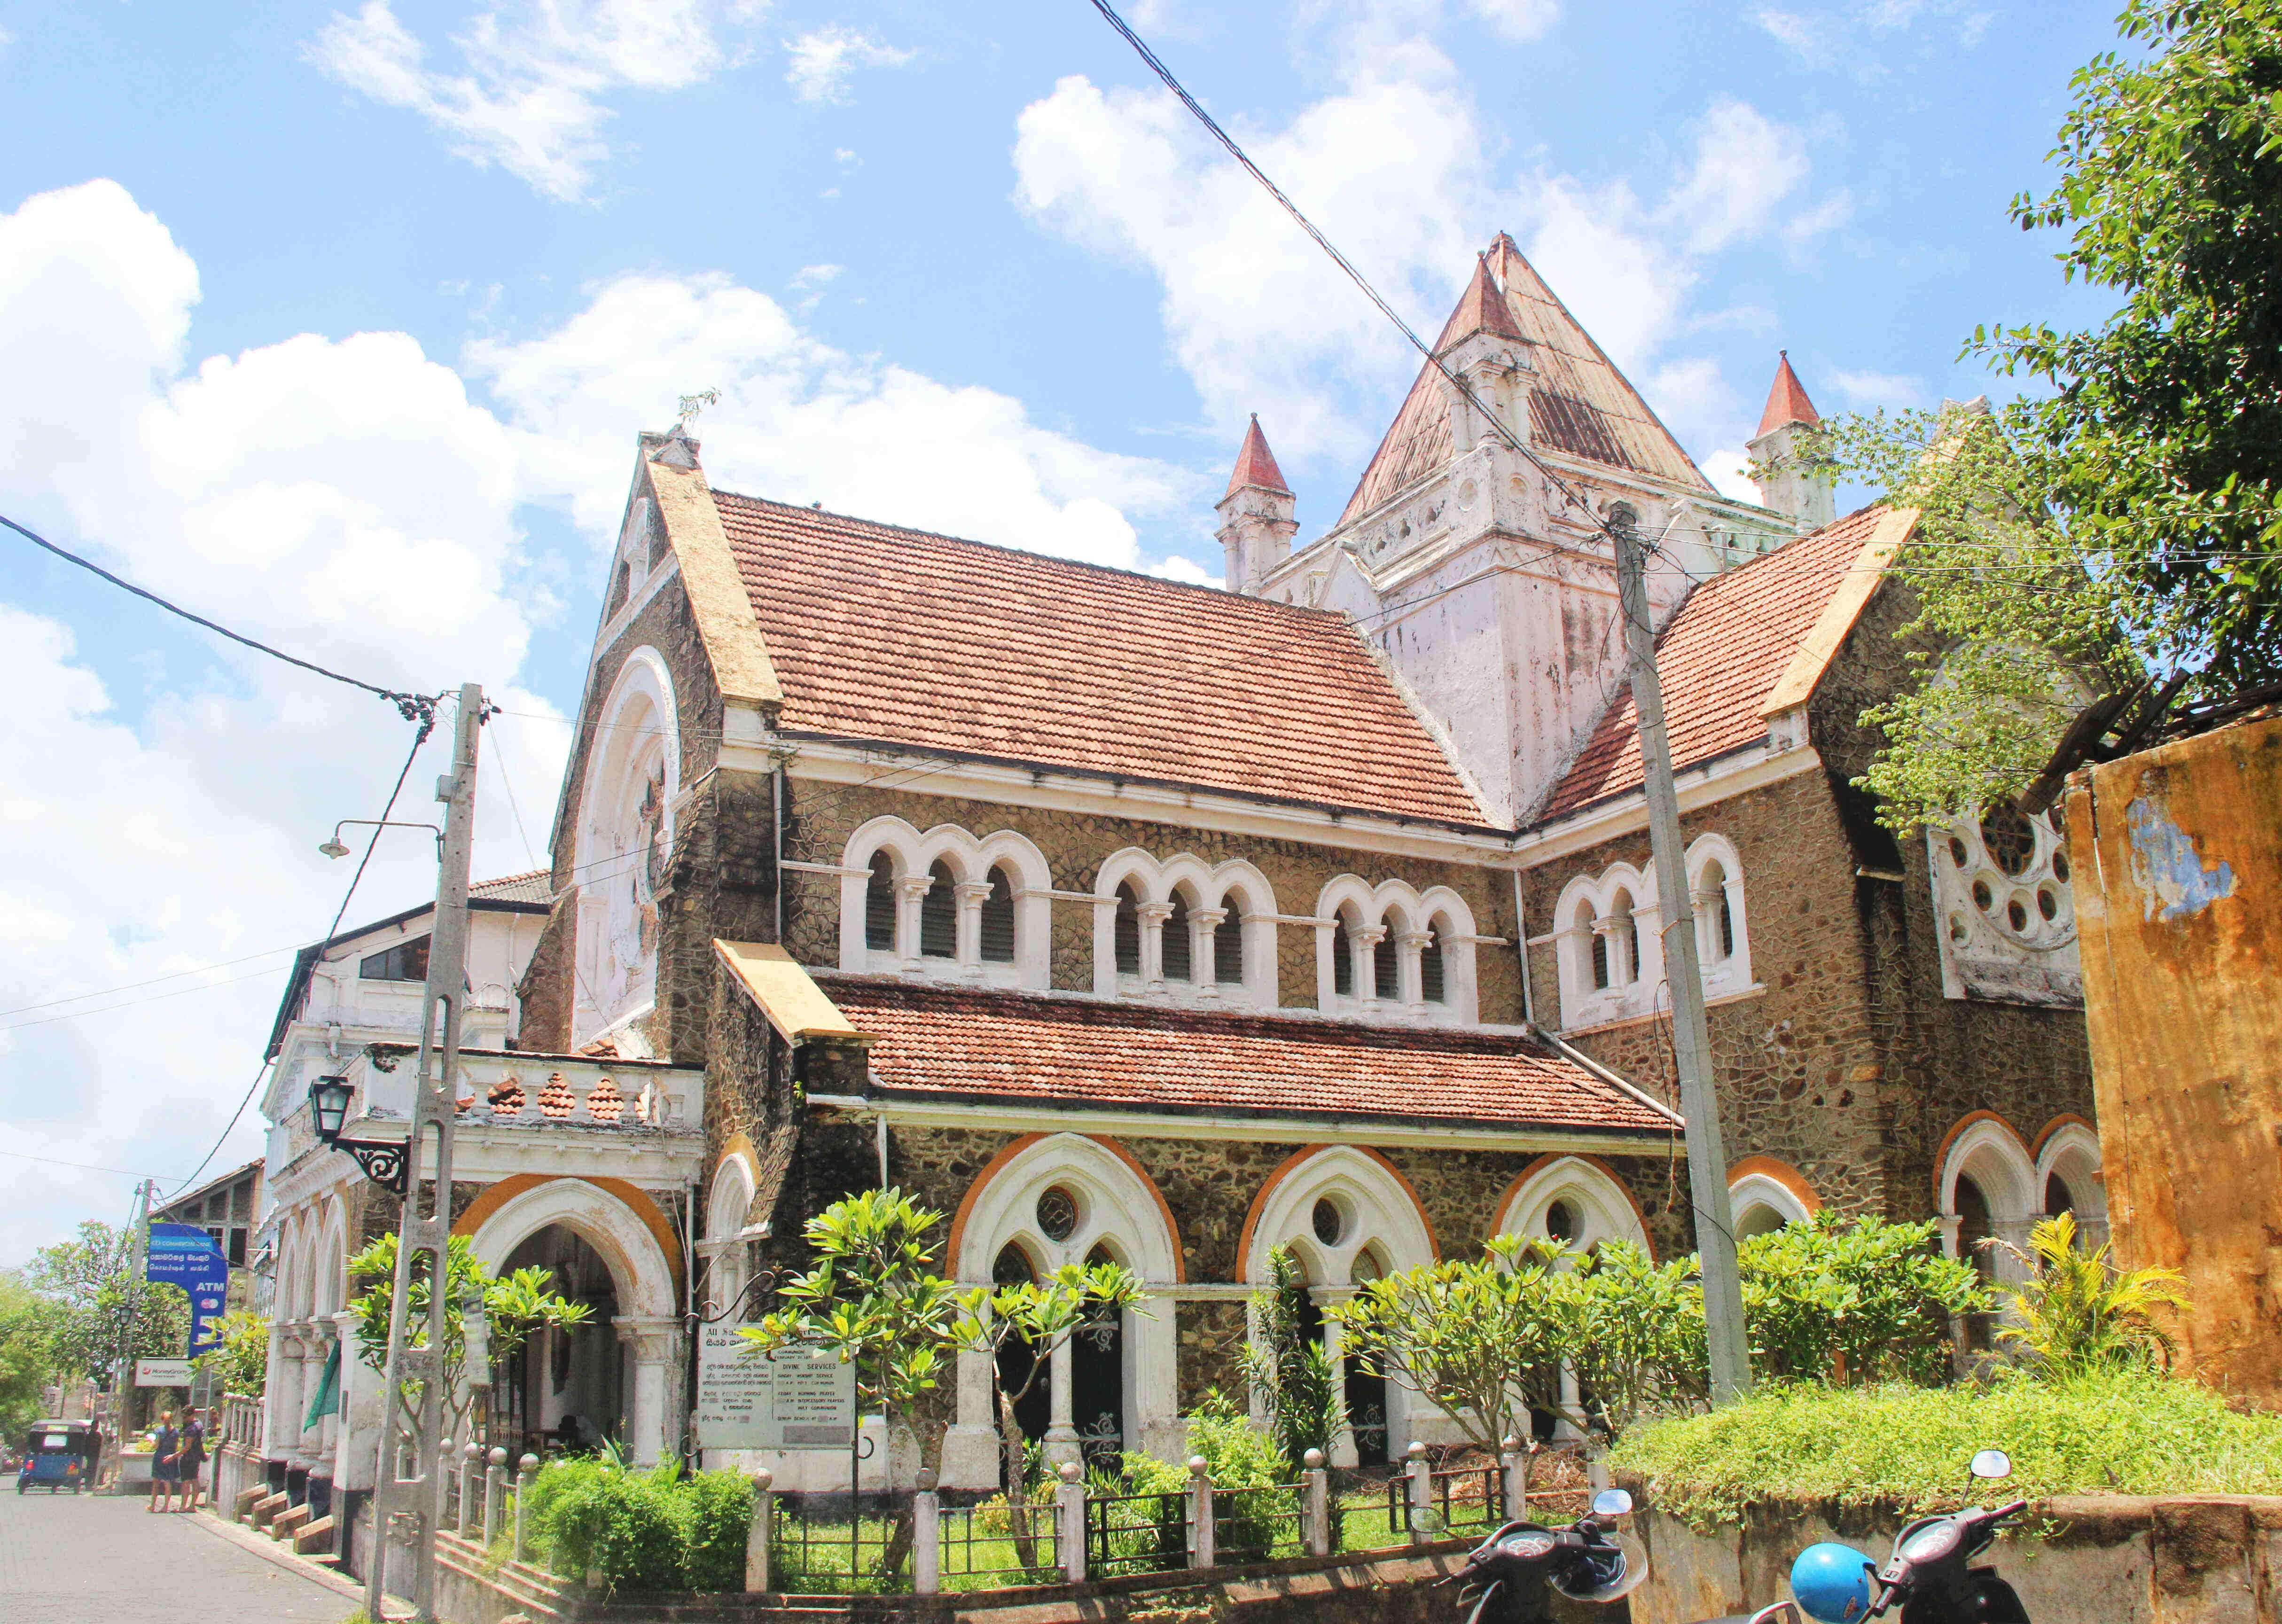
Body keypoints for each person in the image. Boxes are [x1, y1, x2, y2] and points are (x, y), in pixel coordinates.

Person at [178, 1411, 208, 1511]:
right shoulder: (199, 1424)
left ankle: (183, 1506)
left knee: (186, 1482)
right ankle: (192, 1506)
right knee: (195, 1480)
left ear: (191, 1415)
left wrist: (174, 1456)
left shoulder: (191, 1429)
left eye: (186, 1417)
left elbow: (187, 1446)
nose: (184, 1419)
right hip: (197, 1456)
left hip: (189, 1457)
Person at [148, 1411, 177, 1513]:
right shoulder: (176, 1432)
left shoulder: (159, 1430)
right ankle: (166, 1506)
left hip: (160, 1456)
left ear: (162, 1420)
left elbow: (156, 1446)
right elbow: (176, 1447)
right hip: (170, 1457)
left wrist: (151, 1441)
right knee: (168, 1482)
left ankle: (153, 1506)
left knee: (156, 1482)